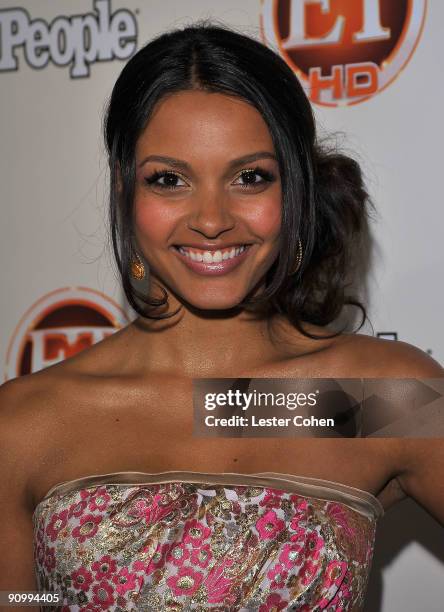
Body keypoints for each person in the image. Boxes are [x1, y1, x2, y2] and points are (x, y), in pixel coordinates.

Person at [0, 21, 442, 612]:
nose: (211, 219)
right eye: (170, 179)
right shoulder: (28, 421)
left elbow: (220, 408)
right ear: (124, 190)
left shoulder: (370, 399)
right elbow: (20, 598)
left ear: (294, 190)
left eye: (250, 176)